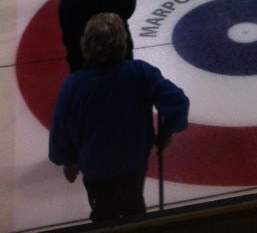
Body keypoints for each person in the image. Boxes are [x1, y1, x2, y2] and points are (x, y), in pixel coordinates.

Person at [49, 12, 190, 224]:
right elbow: (177, 102)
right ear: (122, 42)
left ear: (85, 45)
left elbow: (61, 128)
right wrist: (167, 131)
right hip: (133, 161)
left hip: (95, 166)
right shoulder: (141, 73)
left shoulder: (74, 85)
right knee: (134, 206)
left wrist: (67, 159)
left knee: (103, 214)